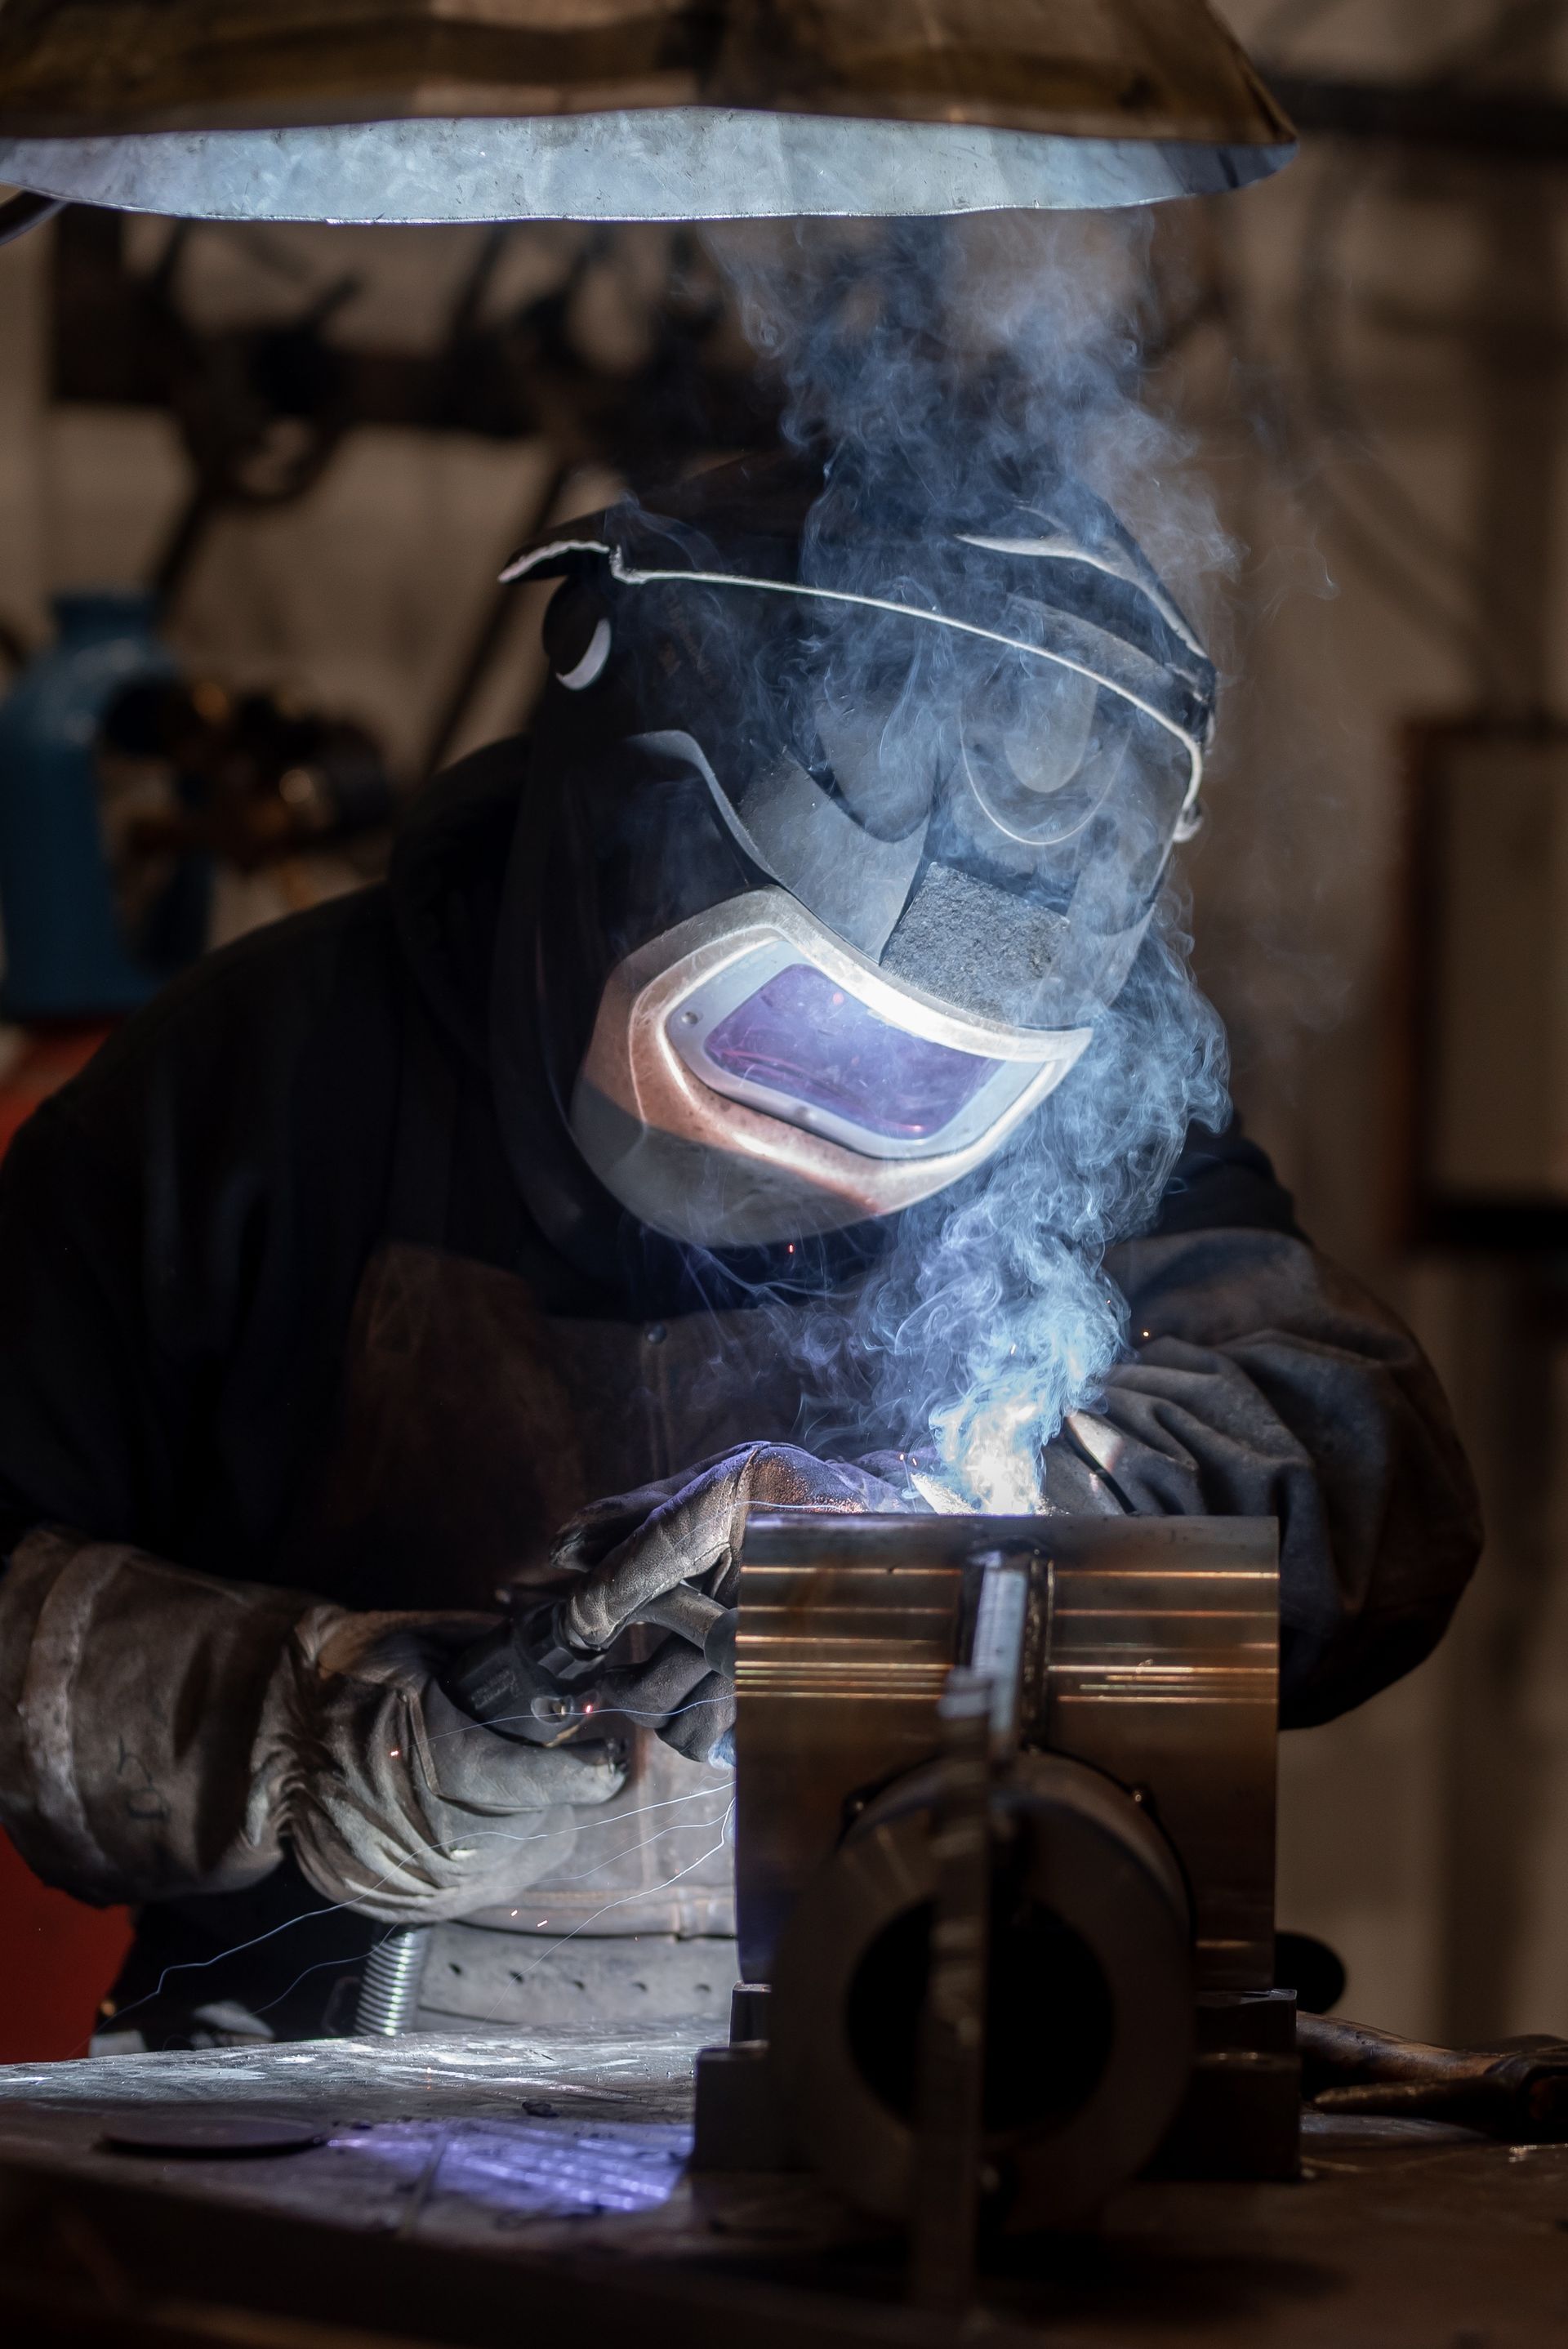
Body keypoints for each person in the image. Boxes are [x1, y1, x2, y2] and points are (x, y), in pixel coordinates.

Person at [0, 448, 1480, 2048]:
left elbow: (1361, 1474)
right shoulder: (270, 1084)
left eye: (940, 1080)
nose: (851, 1133)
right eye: (790, 1033)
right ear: (619, 847)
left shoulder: (1092, 1122)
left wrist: (940, 1552)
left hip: (924, 2089)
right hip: (332, 2114)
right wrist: (305, 1729)